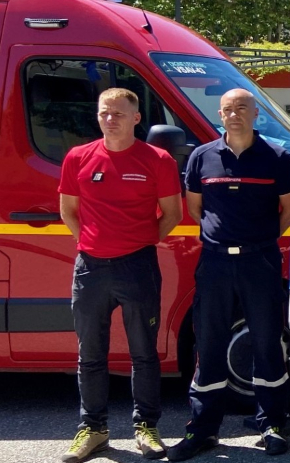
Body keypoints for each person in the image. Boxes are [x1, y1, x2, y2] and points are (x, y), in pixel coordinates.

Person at [168, 90, 290, 461]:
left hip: (260, 261)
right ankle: (202, 429)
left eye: (242, 107)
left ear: (256, 113)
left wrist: (257, 238)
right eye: (227, 109)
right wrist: (223, 238)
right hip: (215, 263)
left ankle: (272, 424)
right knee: (209, 343)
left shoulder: (278, 157)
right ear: (220, 114)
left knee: (267, 342)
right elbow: (196, 208)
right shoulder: (201, 156)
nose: (234, 114)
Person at [58, 88, 183, 463]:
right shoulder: (78, 157)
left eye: (118, 113)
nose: (110, 119)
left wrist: (139, 242)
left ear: (136, 118)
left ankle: (146, 427)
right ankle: (93, 430)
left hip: (137, 266)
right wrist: (92, 243)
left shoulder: (157, 160)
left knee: (143, 353)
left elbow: (172, 214)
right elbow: (68, 211)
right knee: (90, 354)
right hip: (90, 269)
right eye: (104, 113)